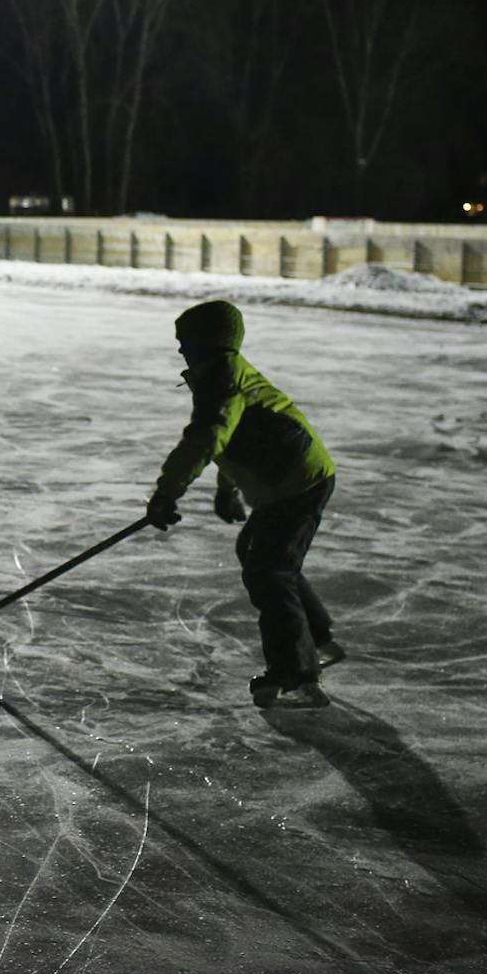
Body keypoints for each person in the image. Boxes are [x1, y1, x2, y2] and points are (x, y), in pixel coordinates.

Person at [145, 300, 345, 709]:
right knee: (262, 557)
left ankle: (298, 672)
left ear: (208, 343)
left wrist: (167, 493)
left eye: (186, 343)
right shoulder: (220, 373)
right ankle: (318, 638)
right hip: (283, 480)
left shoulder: (222, 378)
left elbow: (207, 438)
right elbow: (238, 438)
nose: (181, 350)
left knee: (270, 571)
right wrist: (227, 489)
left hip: (297, 482)